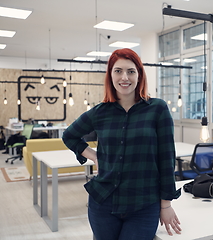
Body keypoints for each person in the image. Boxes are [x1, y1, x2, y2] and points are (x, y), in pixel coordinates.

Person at [62, 48, 181, 240]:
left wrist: (166, 204)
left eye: (131, 71)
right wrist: (95, 156)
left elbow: (166, 158)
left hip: (143, 204)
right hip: (103, 202)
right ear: (110, 75)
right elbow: (69, 136)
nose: (124, 77)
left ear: (139, 75)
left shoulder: (157, 109)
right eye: (118, 71)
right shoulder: (100, 112)